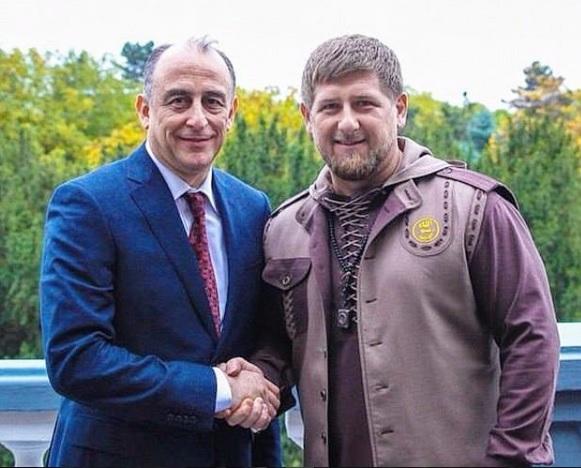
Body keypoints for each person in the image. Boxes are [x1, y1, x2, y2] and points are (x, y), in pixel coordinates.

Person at [224, 34, 560, 466]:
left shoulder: (475, 209)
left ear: (399, 109)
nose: (347, 123)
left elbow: (532, 336)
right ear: (307, 116)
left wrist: (512, 457)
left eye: (364, 104)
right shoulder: (284, 229)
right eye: (330, 107)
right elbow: (277, 342)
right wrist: (257, 377)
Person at [40, 36, 281, 467]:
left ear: (231, 113)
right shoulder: (88, 204)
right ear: (145, 109)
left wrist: (258, 379)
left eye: (212, 102)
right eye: (178, 100)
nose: (197, 118)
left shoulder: (252, 207)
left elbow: (266, 330)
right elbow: (76, 357)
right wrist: (217, 389)